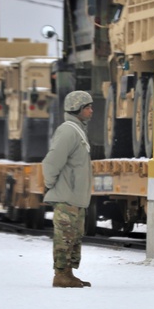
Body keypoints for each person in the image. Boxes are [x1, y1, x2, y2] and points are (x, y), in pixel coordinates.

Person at [42, 90, 94, 288]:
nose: (91, 111)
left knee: (74, 236)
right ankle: (61, 274)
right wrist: (51, 184)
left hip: (75, 197)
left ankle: (68, 273)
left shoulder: (77, 130)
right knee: (64, 236)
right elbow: (51, 162)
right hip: (67, 196)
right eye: (87, 107)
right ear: (76, 109)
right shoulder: (68, 131)